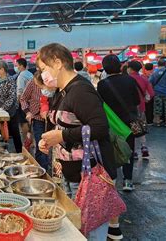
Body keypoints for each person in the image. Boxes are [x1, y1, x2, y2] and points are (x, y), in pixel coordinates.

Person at [37, 43, 117, 241]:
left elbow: (100, 128)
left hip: (89, 175)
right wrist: (49, 139)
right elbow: (67, 123)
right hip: (73, 173)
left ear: (58, 62)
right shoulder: (63, 90)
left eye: (44, 69)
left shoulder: (80, 90)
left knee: (90, 232)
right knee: (77, 229)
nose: (43, 74)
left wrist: (62, 137)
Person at [97, 55, 139, 192]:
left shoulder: (102, 84)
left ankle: (112, 180)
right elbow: (137, 101)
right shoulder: (130, 80)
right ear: (120, 66)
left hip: (112, 124)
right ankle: (128, 180)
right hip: (129, 122)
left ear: (105, 69)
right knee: (129, 150)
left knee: (112, 150)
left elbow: (99, 105)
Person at [20, 71, 50, 170]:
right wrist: (27, 112)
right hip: (37, 119)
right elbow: (23, 98)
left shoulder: (51, 83)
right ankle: (42, 170)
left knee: (49, 145)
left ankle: (47, 167)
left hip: (51, 120)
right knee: (40, 144)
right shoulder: (32, 82)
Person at [0, 61, 22, 153]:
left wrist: (3, 109)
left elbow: (12, 97)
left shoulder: (10, 80)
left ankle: (19, 152)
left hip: (10, 112)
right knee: (0, 132)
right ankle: (2, 152)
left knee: (14, 132)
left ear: (2, 69)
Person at [127, 60, 154, 159]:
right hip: (141, 107)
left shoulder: (127, 79)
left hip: (129, 108)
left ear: (130, 68)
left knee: (132, 128)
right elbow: (151, 93)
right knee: (141, 127)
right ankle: (144, 147)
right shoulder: (144, 79)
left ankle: (132, 151)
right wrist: (145, 100)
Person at [15, 58, 34, 147]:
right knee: (30, 122)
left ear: (21, 65)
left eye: (17, 65)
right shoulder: (30, 74)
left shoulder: (21, 76)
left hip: (24, 102)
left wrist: (19, 103)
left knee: (23, 122)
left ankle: (26, 142)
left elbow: (20, 90)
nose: (16, 67)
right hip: (32, 102)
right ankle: (32, 141)